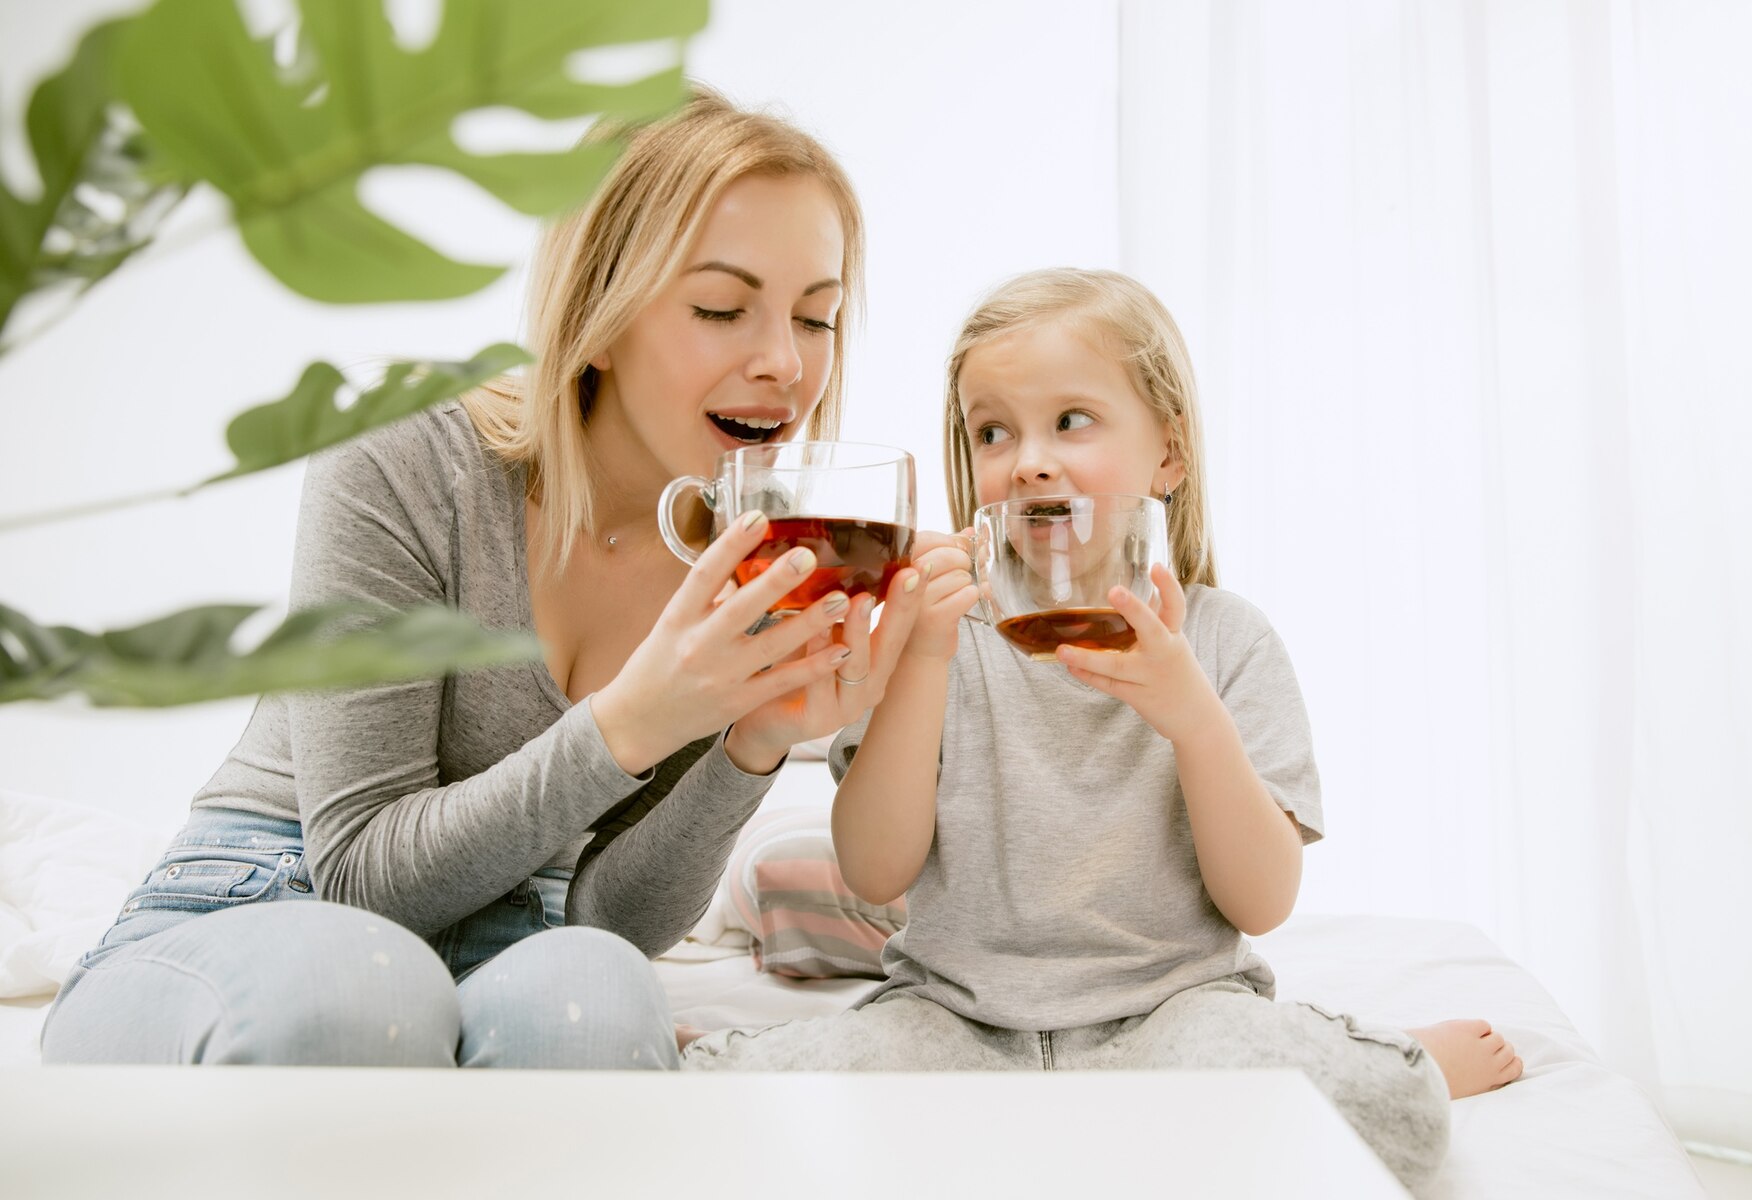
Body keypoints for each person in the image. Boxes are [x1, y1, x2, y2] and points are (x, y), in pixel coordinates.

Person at [40, 87, 931, 1069]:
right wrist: (633, 719)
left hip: (510, 941)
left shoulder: (739, 559)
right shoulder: (406, 460)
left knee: (597, 997)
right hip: (264, 903)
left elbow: (608, 916)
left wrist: (751, 741)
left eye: (818, 318)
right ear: (598, 312)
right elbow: (359, 882)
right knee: (362, 988)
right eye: (723, 307)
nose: (783, 363)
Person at [683, 269, 1523, 1192]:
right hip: (954, 1023)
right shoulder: (935, 639)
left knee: (1389, 1114)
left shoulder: (1228, 641)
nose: (1029, 459)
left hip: (1172, 1021)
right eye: (992, 431)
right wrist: (920, 660)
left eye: (1071, 421)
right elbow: (876, 871)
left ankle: (1401, 1057)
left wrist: (1191, 716)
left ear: (1168, 452)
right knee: (728, 1112)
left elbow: (1262, 902)